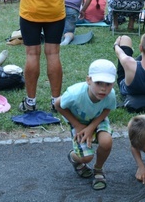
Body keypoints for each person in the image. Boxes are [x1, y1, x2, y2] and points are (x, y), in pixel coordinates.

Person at [54, 59, 117, 191]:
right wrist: (77, 125)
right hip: (78, 122)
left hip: (98, 119)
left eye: (108, 84)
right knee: (86, 158)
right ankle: (73, 156)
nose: (103, 88)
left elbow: (107, 109)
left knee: (106, 142)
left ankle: (98, 170)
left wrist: (92, 127)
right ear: (88, 80)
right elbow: (58, 104)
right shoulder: (74, 94)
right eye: (98, 83)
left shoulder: (110, 95)